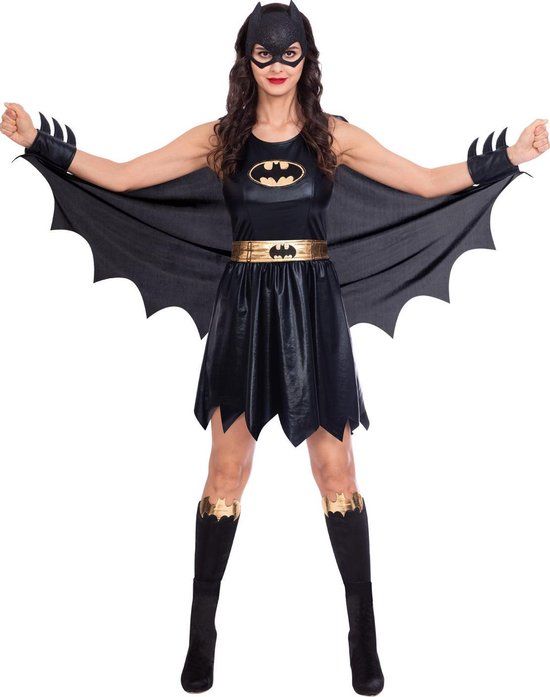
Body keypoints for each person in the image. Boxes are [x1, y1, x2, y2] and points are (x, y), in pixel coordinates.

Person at [1, 1, 547, 695]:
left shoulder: (332, 136)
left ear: (307, 59)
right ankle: (201, 638)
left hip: (315, 306)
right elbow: (127, 175)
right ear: (247, 59)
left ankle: (363, 637)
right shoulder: (220, 138)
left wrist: (512, 155)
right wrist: (39, 143)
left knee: (336, 469)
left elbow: (424, 180)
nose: (278, 66)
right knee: (226, 472)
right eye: (265, 54)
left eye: (291, 55)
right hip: (243, 308)